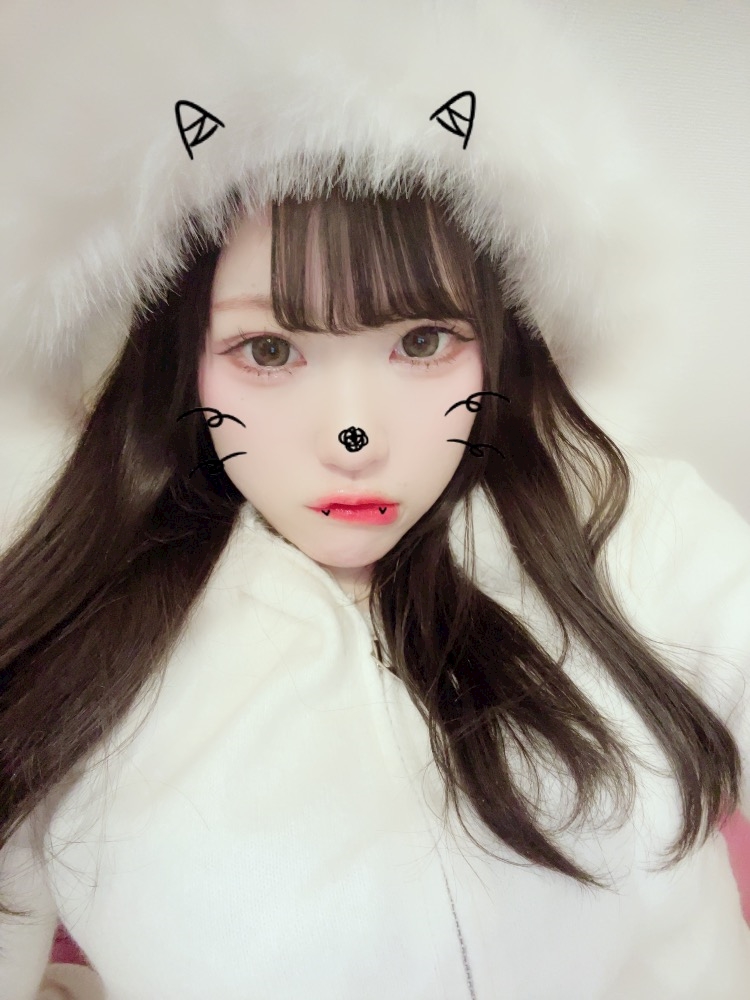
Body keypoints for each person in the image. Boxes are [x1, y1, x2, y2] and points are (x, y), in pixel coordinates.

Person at [1, 2, 750, 999]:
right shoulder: (66, 637)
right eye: (270, 349)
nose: (354, 436)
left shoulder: (643, 535)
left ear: (501, 345)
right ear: (175, 369)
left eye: (422, 341)